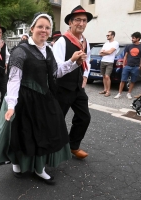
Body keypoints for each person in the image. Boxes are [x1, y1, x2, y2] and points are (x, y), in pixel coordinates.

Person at [0, 13, 71, 185]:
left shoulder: (49, 50)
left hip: (43, 97)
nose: (44, 30)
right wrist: (11, 105)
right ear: (32, 29)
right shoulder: (20, 51)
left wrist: (73, 62)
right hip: (23, 99)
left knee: (44, 133)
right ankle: (16, 163)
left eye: (47, 27)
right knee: (21, 134)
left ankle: (39, 169)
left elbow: (56, 72)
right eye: (40, 26)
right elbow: (14, 79)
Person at [53, 5, 92, 159]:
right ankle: (52, 150)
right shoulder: (61, 42)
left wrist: (85, 76)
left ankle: (73, 146)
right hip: (62, 88)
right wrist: (73, 62)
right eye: (77, 20)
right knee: (57, 120)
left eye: (84, 20)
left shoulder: (85, 42)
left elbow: (87, 59)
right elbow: (56, 70)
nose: (81, 23)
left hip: (77, 87)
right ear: (70, 22)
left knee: (84, 117)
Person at [114, 32, 141, 99]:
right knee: (123, 80)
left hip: (136, 66)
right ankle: (119, 93)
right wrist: (124, 65)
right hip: (127, 66)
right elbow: (125, 56)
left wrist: (140, 66)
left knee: (133, 81)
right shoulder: (129, 46)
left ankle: (129, 93)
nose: (132, 39)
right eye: (132, 37)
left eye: (133, 38)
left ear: (138, 38)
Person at [98, 31, 119, 97]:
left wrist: (104, 52)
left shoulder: (115, 43)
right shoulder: (106, 44)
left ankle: (108, 91)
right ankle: (105, 90)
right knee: (104, 76)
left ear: (112, 36)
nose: (107, 36)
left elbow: (110, 52)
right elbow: (100, 53)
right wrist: (103, 52)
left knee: (107, 76)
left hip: (109, 62)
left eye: (108, 35)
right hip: (103, 61)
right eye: (107, 35)